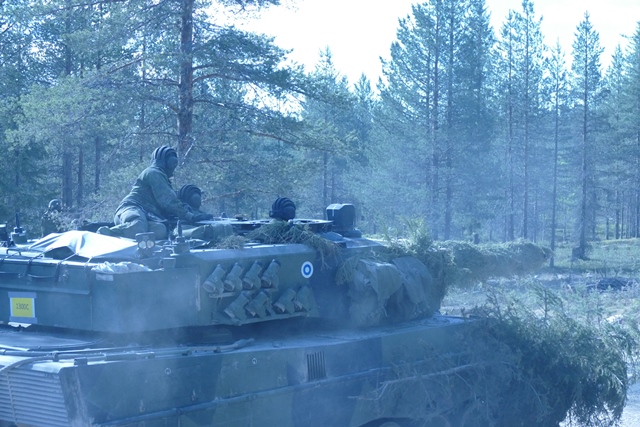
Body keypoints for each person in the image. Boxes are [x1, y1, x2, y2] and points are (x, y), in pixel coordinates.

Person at [98, 146, 210, 240]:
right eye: (172, 163)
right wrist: (190, 216)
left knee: (160, 230)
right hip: (131, 208)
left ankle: (141, 248)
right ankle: (105, 235)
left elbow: (171, 201)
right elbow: (168, 201)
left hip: (148, 215)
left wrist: (196, 213)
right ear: (163, 162)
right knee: (137, 226)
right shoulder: (153, 173)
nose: (173, 167)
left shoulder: (163, 179)